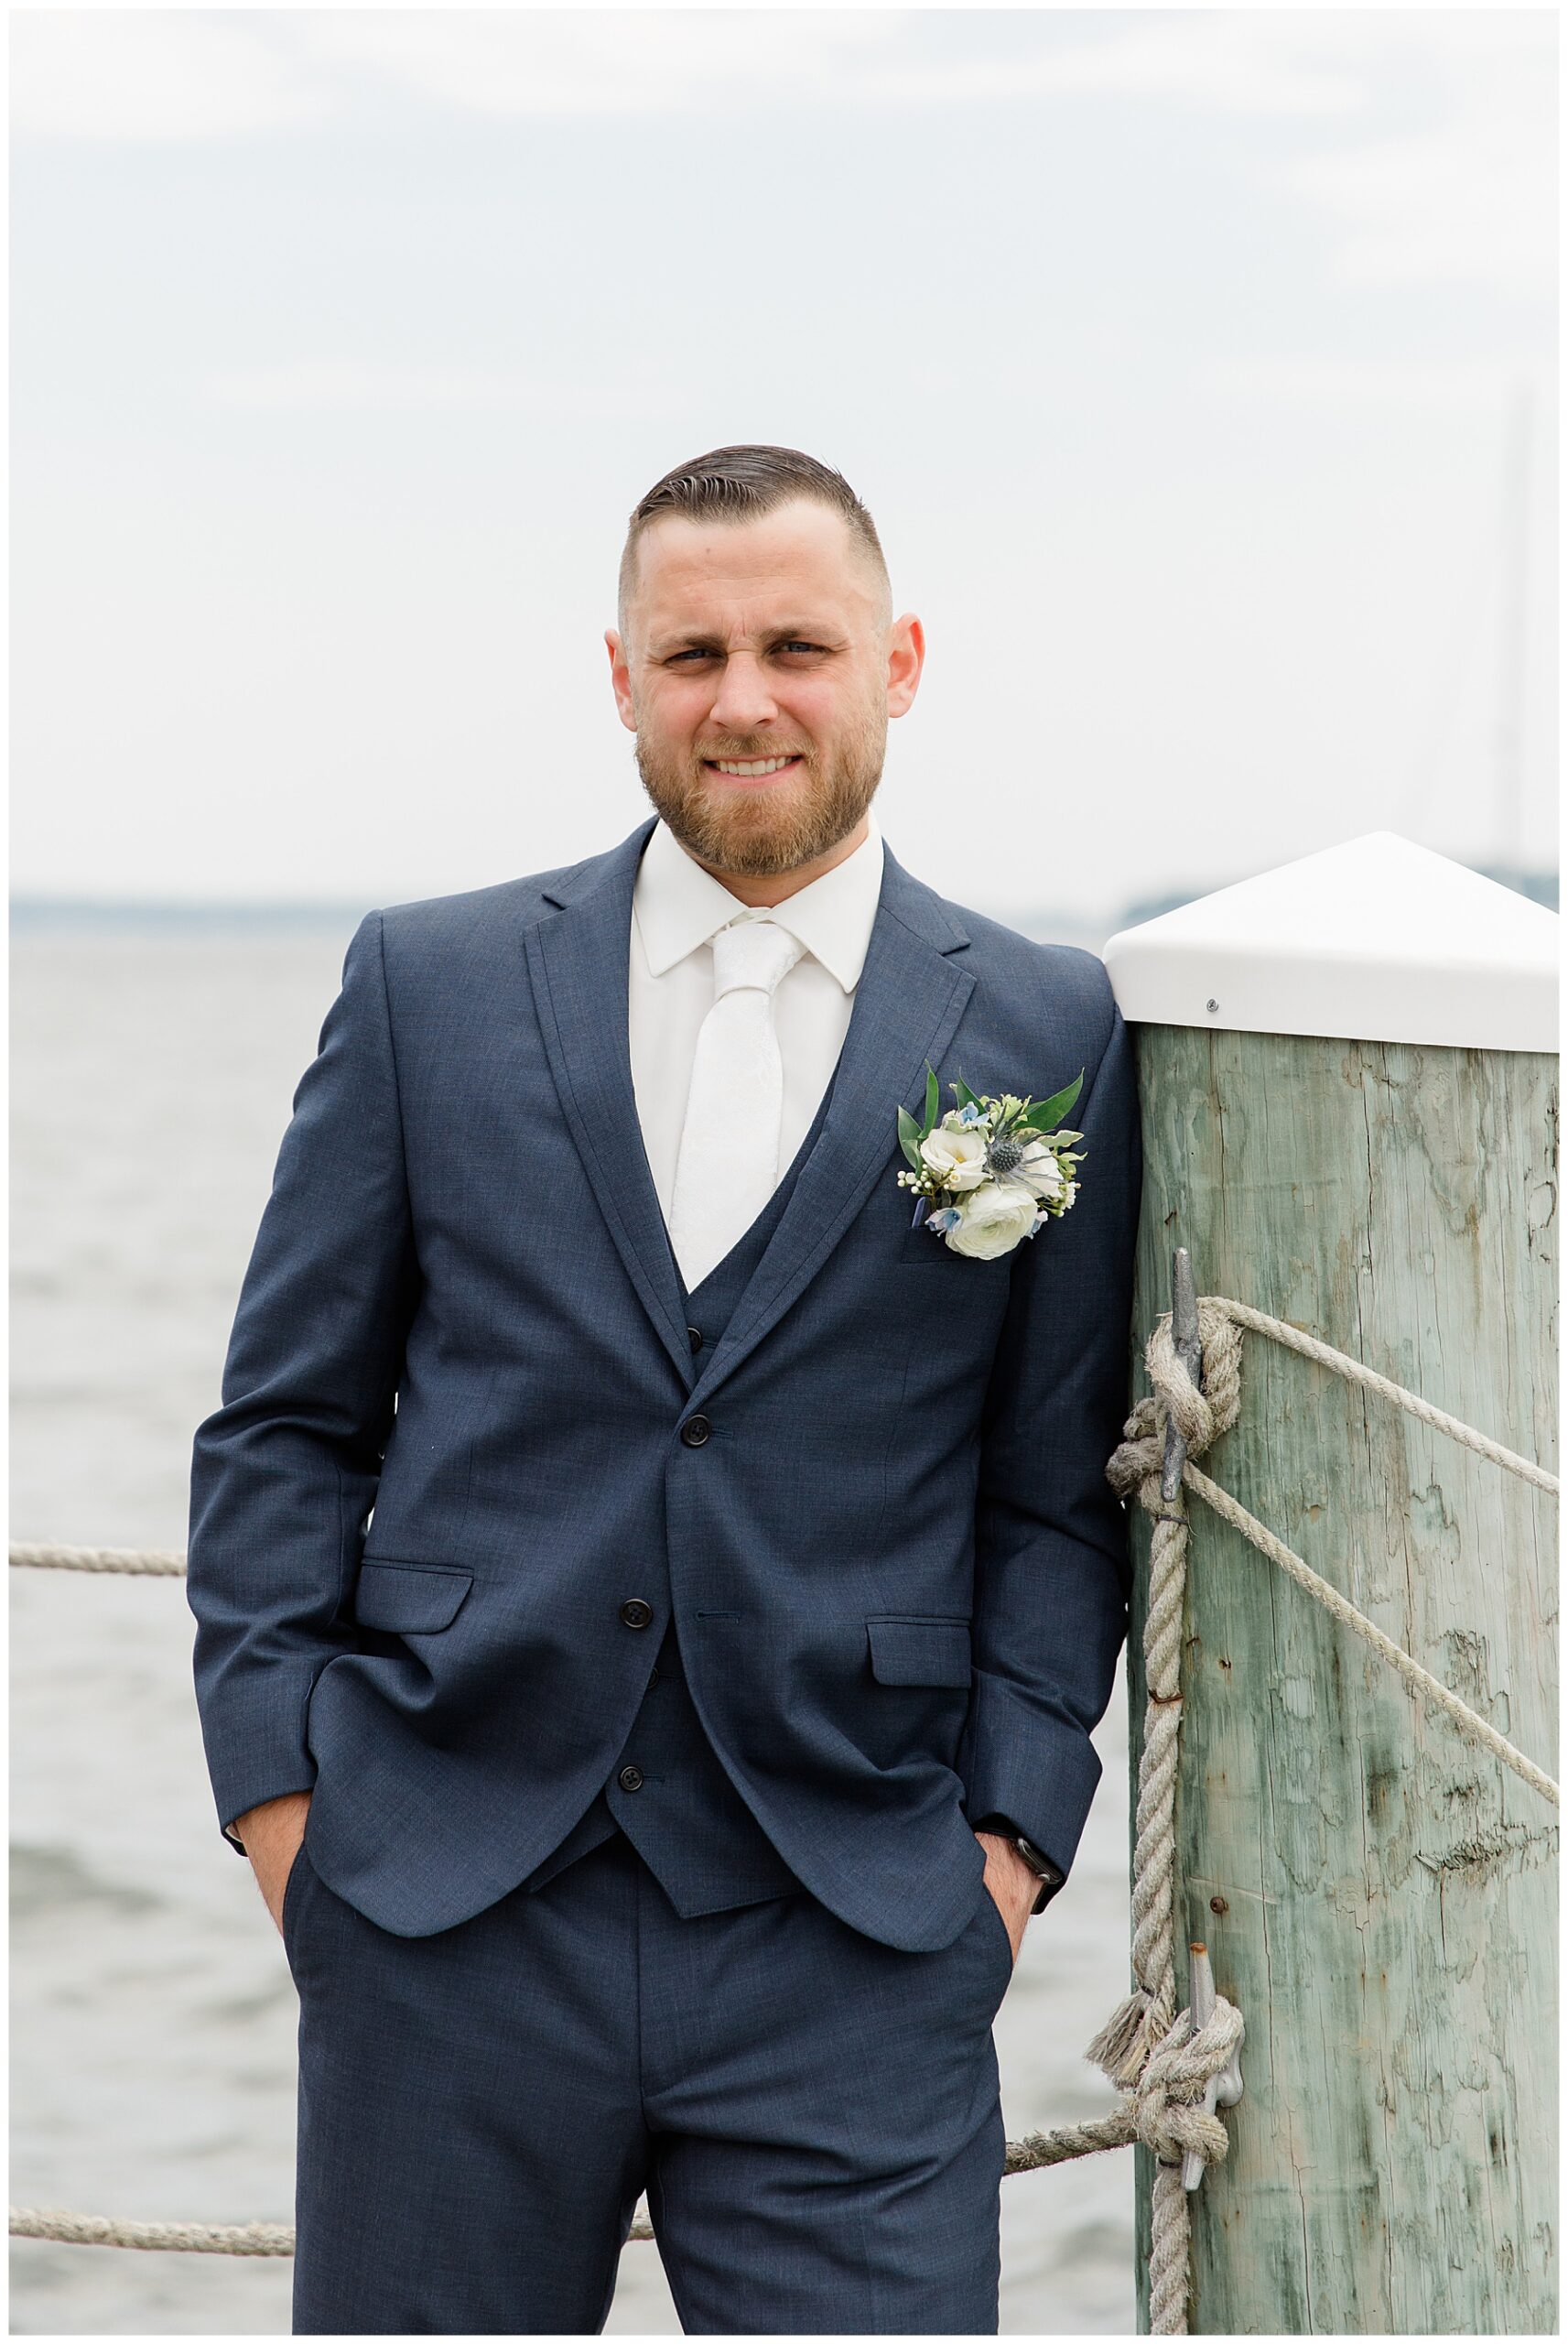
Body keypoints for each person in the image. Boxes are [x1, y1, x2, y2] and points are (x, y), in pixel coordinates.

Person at [187, 442, 1141, 2336]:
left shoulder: (1044, 1027)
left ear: (898, 661)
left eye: (797, 643)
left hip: (853, 1925)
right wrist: (286, 1806)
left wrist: (1007, 1847)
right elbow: (285, 1424)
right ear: (622, 678)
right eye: (690, 652)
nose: (744, 697)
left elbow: (1051, 1493)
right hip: (443, 1905)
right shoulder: (428, 982)